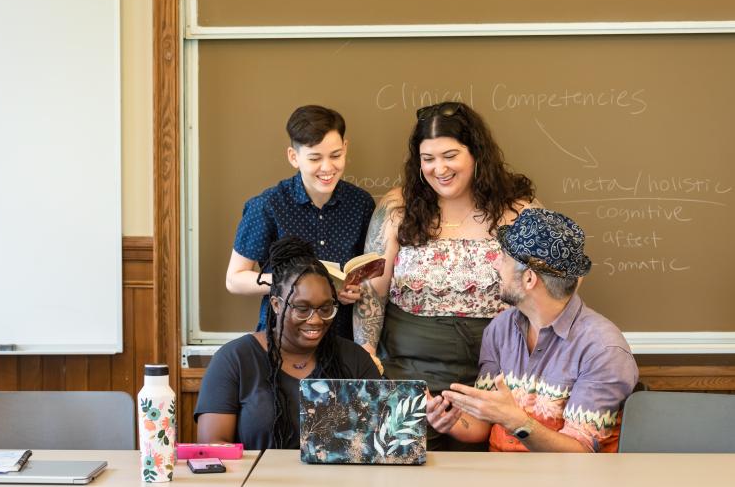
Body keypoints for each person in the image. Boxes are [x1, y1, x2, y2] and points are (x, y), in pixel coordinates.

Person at [353, 101, 538, 450]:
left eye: (450, 155)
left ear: (476, 154)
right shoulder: (397, 208)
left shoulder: (517, 212)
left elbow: (558, 282)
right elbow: (372, 292)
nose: (439, 168)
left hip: (494, 378)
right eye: (428, 159)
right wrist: (366, 352)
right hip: (408, 375)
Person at [427, 208, 639, 452]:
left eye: (504, 258)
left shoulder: (603, 349)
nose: (496, 264)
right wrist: (447, 420)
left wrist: (515, 420)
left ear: (529, 279)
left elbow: (580, 454)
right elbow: (483, 424)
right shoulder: (500, 328)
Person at [196, 236, 381, 449]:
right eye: (302, 309)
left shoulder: (355, 359)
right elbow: (213, 447)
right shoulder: (235, 359)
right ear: (276, 304)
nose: (316, 319)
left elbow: (379, 440)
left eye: (325, 308)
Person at [226, 105, 376, 339]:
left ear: (345, 148)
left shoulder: (361, 203)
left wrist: (353, 290)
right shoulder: (267, 206)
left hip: (342, 337)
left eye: (336, 155)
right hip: (283, 337)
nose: (327, 167)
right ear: (293, 157)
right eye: (315, 158)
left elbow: (367, 273)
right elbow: (235, 280)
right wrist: (292, 281)